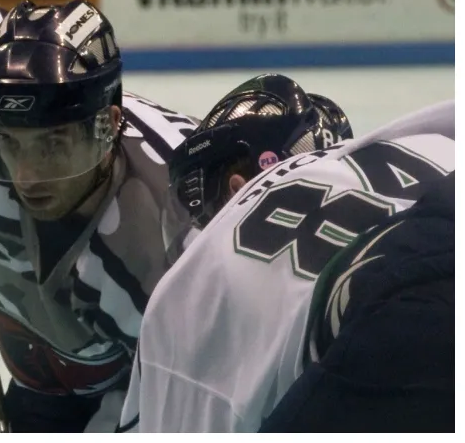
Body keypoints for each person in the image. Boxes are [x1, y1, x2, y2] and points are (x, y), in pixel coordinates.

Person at [0, 0, 201, 432]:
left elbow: (196, 399)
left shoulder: (169, 237)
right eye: (11, 143)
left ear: (109, 125)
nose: (27, 177)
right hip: (45, 368)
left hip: (137, 375)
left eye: (53, 146)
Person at [120, 74, 453, 432]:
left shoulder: (206, 283)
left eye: (204, 209)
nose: (200, 228)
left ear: (238, 190)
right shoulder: (402, 151)